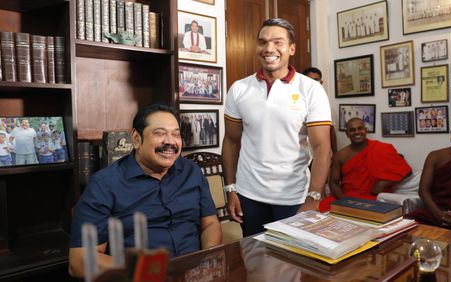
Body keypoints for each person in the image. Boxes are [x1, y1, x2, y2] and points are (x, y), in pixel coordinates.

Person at [69, 103, 222, 278]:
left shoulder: (191, 171)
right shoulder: (104, 184)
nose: (170, 142)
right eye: (160, 133)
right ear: (136, 138)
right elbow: (79, 261)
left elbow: (210, 223)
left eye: (176, 134)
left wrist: (208, 258)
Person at [222, 18, 332, 237]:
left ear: (291, 48)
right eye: (262, 42)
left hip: (292, 198)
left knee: (293, 265)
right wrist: (231, 190)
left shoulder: (310, 89)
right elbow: (231, 142)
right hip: (249, 196)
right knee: (254, 261)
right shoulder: (239, 89)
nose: (268, 48)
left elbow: (322, 149)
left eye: (277, 42)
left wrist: (314, 198)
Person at [319, 118, 411, 211]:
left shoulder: (381, 148)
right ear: (347, 134)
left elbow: (407, 171)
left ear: (366, 130)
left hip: (374, 197)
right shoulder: (340, 156)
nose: (357, 132)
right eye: (352, 130)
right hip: (348, 196)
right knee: (323, 207)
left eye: (360, 128)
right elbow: (333, 183)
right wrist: (345, 200)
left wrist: (384, 184)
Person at [303, 66, 338, 153]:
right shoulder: (295, 102)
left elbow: (331, 132)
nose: (312, 83)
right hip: (301, 154)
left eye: (316, 80)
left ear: (321, 82)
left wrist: (335, 152)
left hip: (320, 153)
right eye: (309, 79)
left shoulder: (326, 105)